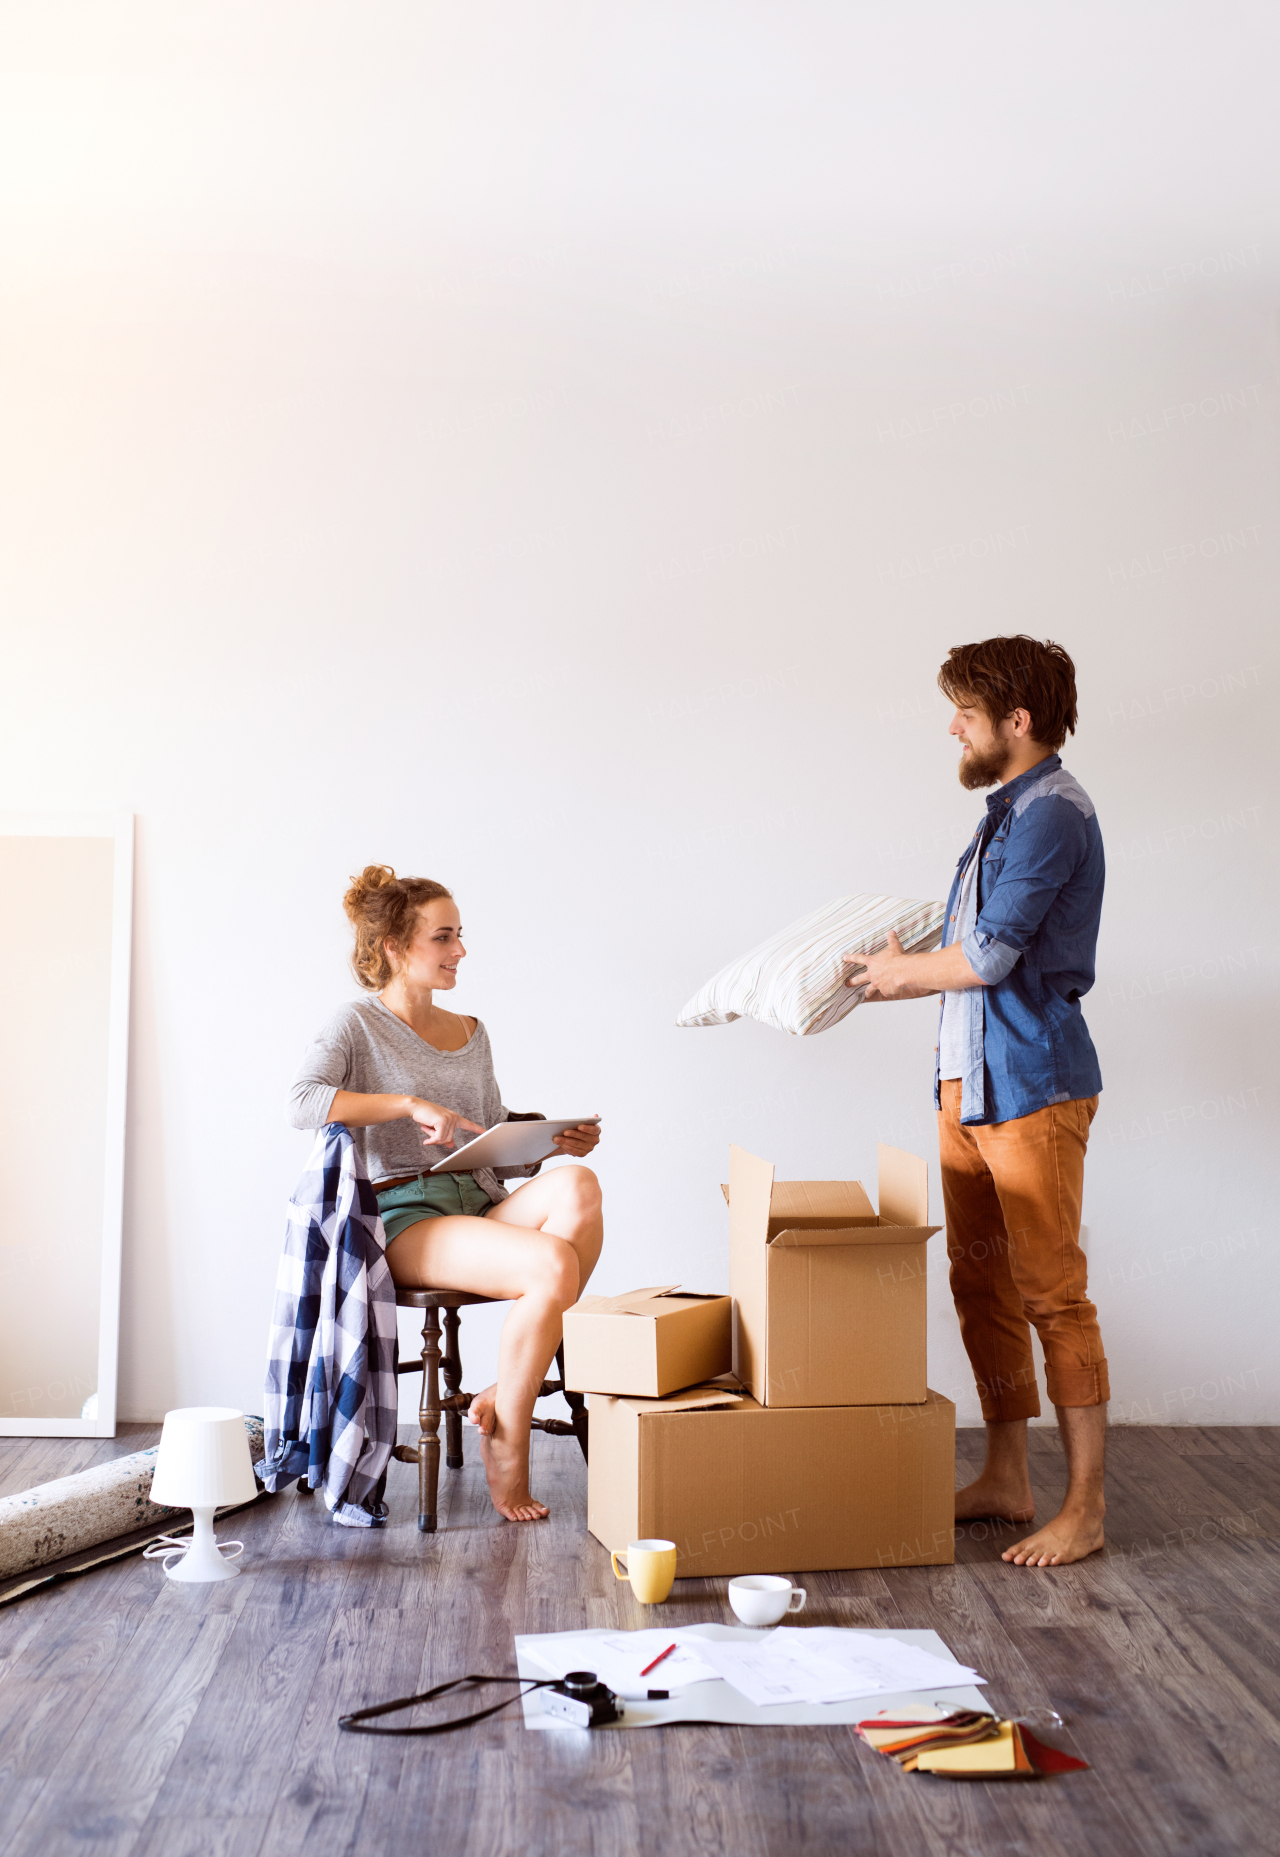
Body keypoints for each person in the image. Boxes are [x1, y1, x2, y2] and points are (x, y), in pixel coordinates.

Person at [844, 636, 1107, 1568]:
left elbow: (990, 959)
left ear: (1017, 721)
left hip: (1032, 1087)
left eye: (964, 709)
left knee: (1052, 1294)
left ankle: (1085, 1509)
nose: (951, 725)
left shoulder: (1052, 814)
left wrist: (897, 974)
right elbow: (973, 941)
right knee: (980, 1284)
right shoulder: (1002, 816)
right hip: (969, 1087)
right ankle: (1007, 1476)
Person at [288, 865, 602, 1524]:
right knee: (553, 1264)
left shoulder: (470, 1031)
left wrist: (549, 1141)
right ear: (396, 948)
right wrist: (406, 1103)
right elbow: (304, 1101)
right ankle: (508, 1441)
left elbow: (489, 1132)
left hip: (475, 1197)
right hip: (405, 1215)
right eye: (444, 937)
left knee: (579, 1184)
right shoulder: (357, 1025)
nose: (460, 950)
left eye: (459, 935)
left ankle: (501, 1391)